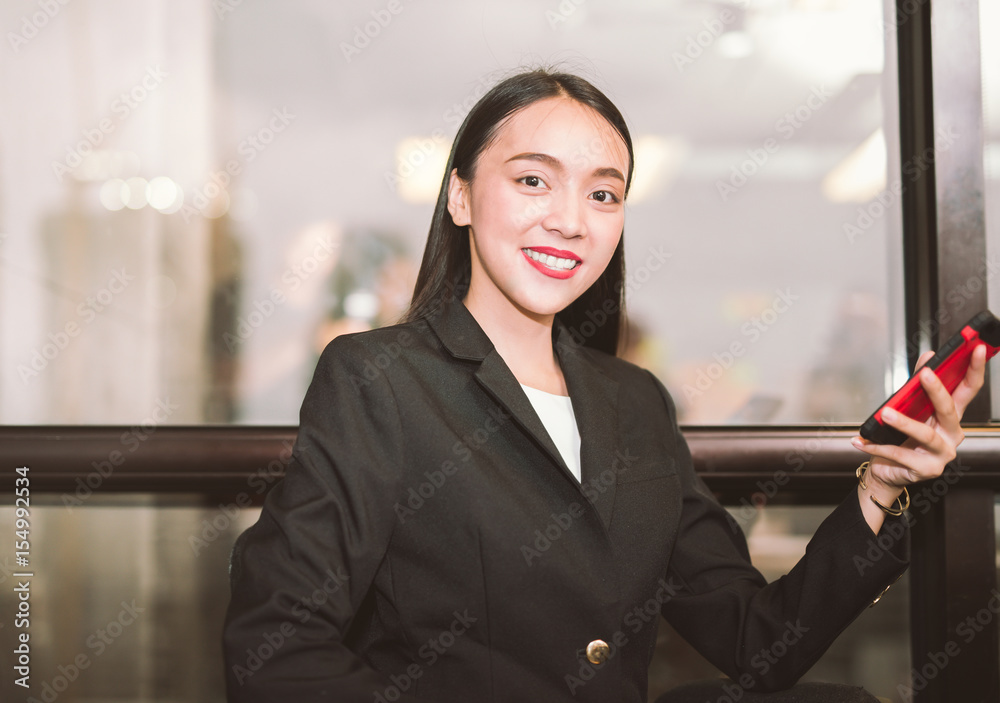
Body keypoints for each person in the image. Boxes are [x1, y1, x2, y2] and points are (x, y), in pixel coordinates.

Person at [222, 69, 987, 702]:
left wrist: (880, 490)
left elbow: (758, 639)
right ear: (459, 196)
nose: (570, 220)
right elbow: (278, 646)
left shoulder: (634, 401)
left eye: (603, 193)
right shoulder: (379, 380)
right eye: (532, 180)